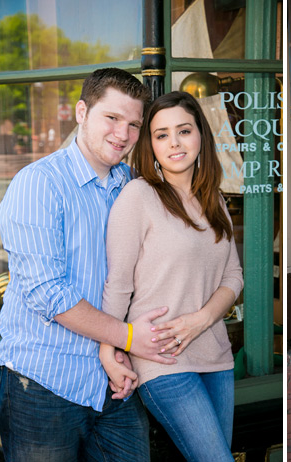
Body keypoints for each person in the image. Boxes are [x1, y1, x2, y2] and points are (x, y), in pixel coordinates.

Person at [0, 68, 177, 462]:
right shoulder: (38, 184)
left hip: (113, 381)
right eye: (111, 118)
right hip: (42, 385)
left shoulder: (130, 182)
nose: (123, 134)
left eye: (133, 124)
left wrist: (119, 349)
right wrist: (128, 338)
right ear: (82, 112)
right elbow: (49, 294)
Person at [99, 91, 243, 461]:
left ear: (201, 137)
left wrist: (201, 320)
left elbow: (234, 277)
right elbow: (118, 283)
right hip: (162, 359)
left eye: (184, 130)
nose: (174, 143)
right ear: (150, 144)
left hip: (216, 355)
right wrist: (108, 349)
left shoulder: (213, 199)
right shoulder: (139, 196)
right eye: (161, 134)